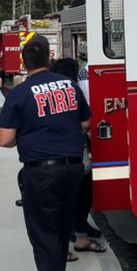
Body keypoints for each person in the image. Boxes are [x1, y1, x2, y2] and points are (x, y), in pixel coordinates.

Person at [0, 34, 91, 271]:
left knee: (45, 239)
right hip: (73, 170)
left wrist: (30, 134)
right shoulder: (70, 86)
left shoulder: (20, 94)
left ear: (24, 62)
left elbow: (4, 139)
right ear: (49, 58)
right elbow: (85, 123)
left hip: (41, 175)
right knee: (62, 234)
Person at [50, 58, 106, 254]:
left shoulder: (47, 92)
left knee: (60, 200)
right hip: (75, 153)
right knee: (82, 194)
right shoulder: (73, 90)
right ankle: (79, 234)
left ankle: (70, 237)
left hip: (50, 157)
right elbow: (85, 123)